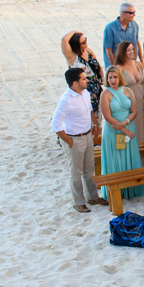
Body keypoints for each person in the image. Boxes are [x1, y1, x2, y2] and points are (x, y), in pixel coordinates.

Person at [50, 67, 107, 213]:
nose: (87, 80)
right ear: (75, 83)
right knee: (76, 172)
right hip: (74, 138)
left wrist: (94, 124)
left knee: (89, 170)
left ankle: (92, 197)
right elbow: (55, 124)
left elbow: (89, 110)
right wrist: (69, 142)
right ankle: (78, 202)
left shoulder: (85, 93)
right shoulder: (66, 101)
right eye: (83, 78)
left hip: (87, 135)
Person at [98, 67, 144, 200]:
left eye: (115, 77)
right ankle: (117, 191)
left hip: (128, 126)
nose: (113, 80)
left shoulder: (128, 91)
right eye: (110, 77)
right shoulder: (105, 94)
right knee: (115, 157)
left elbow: (134, 111)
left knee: (129, 156)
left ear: (120, 78)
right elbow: (107, 116)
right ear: (107, 79)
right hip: (113, 130)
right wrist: (124, 130)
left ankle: (132, 188)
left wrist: (124, 123)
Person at [60, 31, 103, 123]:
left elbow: (97, 65)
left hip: (96, 88)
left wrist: (102, 77)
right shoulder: (71, 56)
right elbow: (64, 40)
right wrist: (74, 32)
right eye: (83, 42)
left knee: (97, 117)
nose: (86, 43)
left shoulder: (88, 51)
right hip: (83, 89)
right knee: (85, 116)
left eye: (85, 40)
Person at [115, 41, 144, 146]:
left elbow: (143, 82)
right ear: (123, 52)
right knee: (130, 126)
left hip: (140, 102)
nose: (131, 52)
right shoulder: (119, 68)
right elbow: (115, 89)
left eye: (133, 49)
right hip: (127, 104)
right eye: (128, 50)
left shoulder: (138, 64)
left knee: (141, 127)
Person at [103, 2, 142, 67]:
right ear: (123, 14)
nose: (134, 14)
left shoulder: (134, 25)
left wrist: (141, 62)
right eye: (131, 13)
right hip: (117, 65)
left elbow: (137, 43)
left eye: (134, 12)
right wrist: (115, 67)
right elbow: (108, 50)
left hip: (131, 65)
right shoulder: (110, 28)